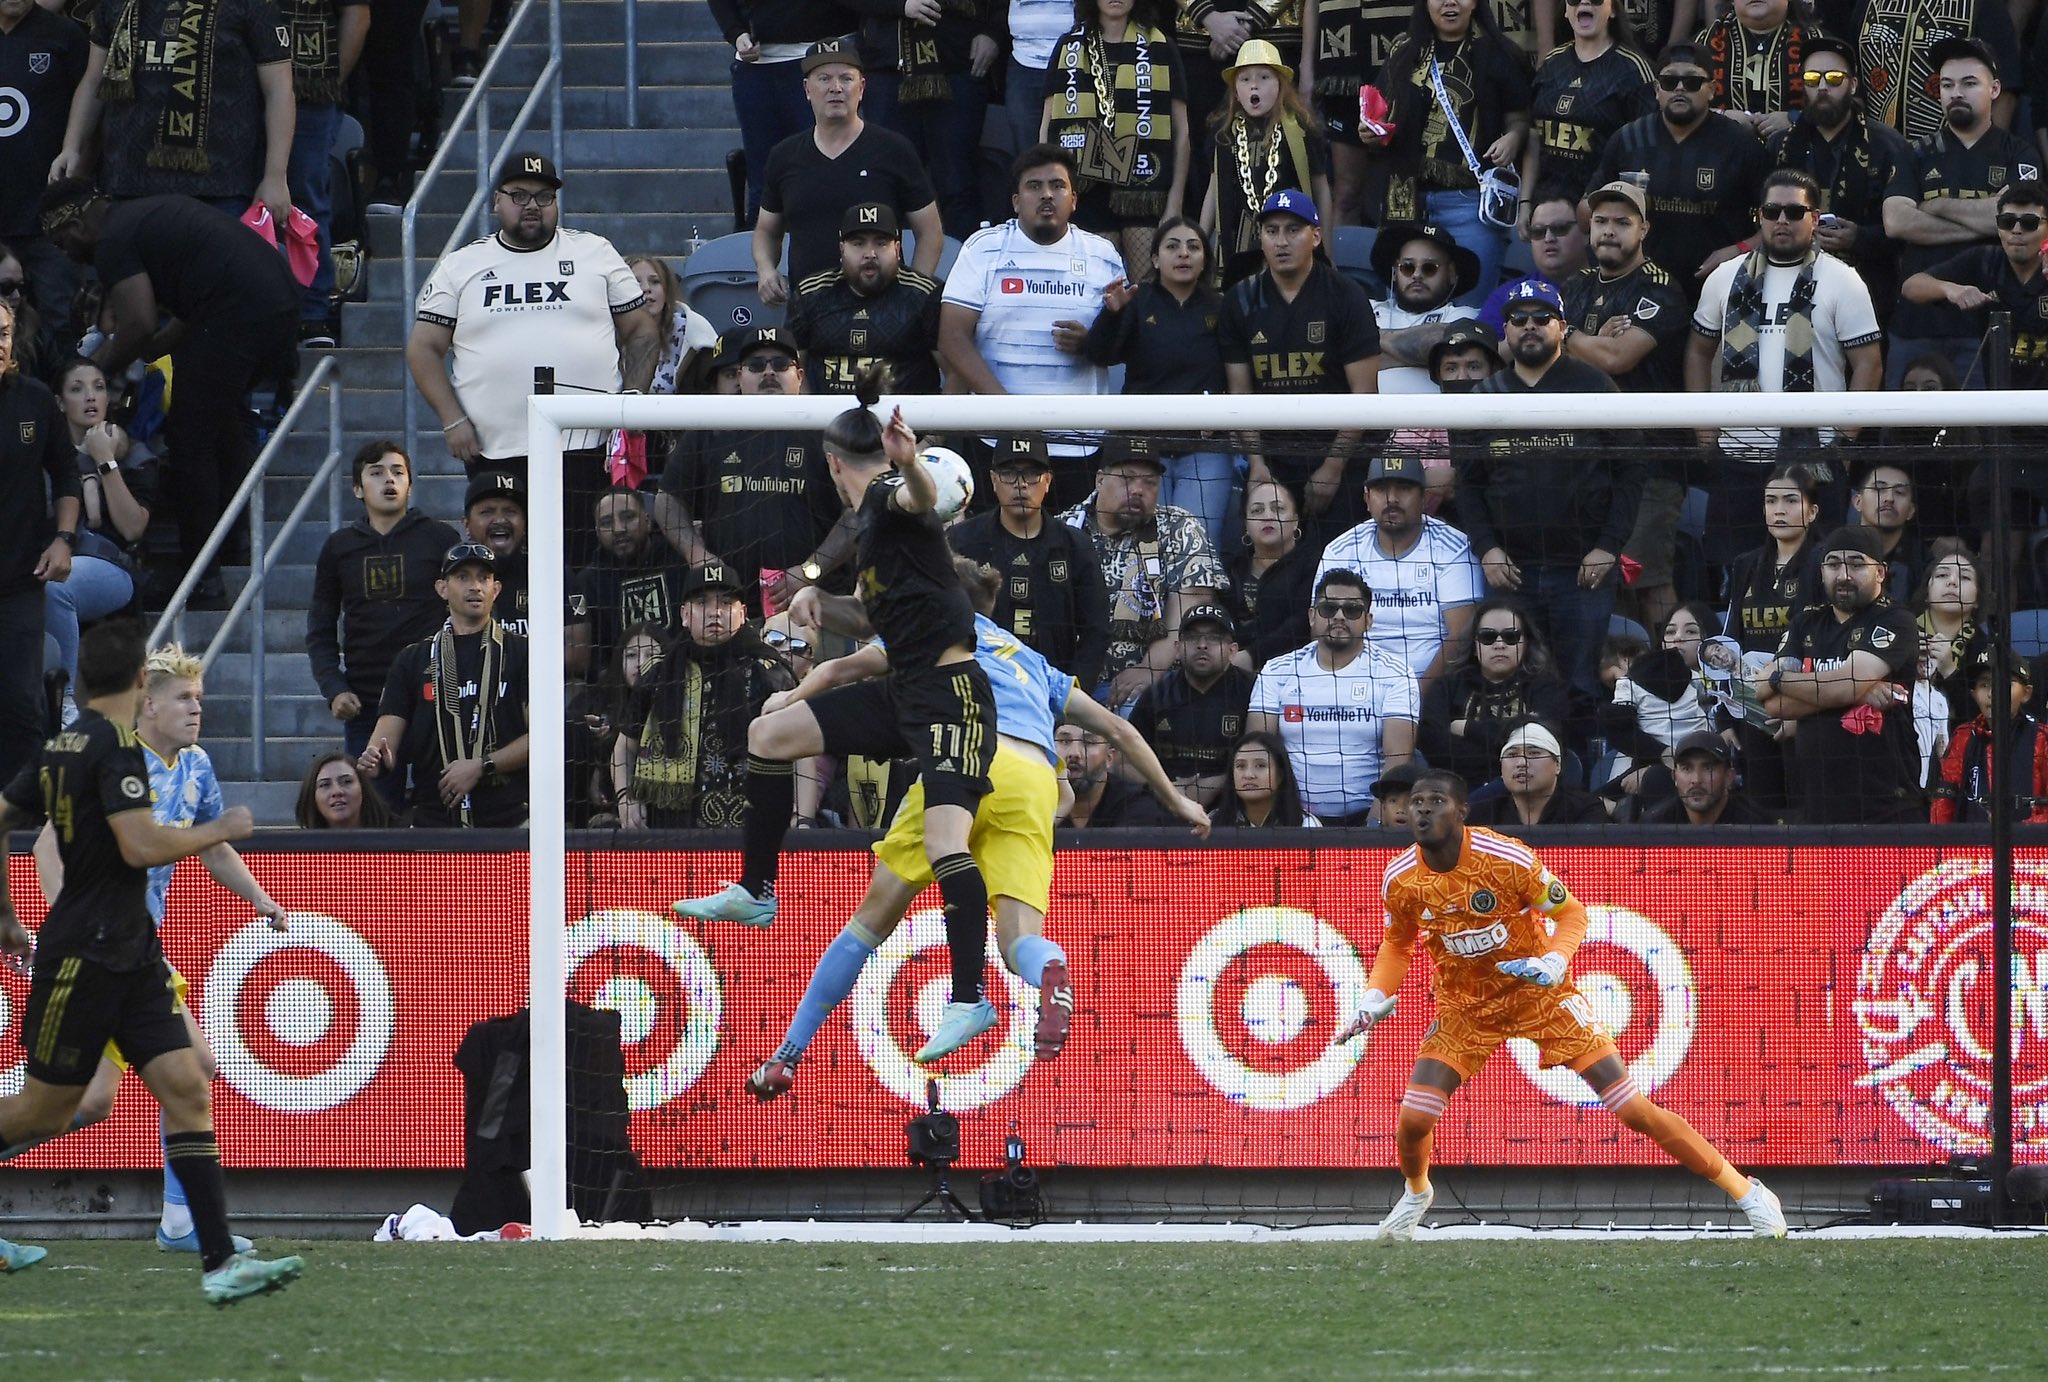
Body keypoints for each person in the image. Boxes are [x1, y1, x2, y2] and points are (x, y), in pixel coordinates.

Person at [745, 559, 1208, 1098]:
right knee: (1018, 941)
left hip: (965, 762)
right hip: (1033, 777)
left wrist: (786, 702)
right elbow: (1118, 729)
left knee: (867, 927)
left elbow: (838, 671)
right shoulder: (1034, 662)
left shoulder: (934, 632)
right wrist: (1177, 800)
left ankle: (788, 1054)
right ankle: (1051, 969)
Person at [674, 395, 1004, 1064]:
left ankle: (969, 996)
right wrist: (817, 600)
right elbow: (865, 618)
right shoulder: (870, 530)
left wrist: (909, 465)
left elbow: (917, 494)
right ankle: (757, 890)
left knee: (945, 843)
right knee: (769, 736)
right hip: (902, 688)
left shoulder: (888, 498)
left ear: (830, 463)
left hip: (951, 697)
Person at [1338, 767, 1788, 1242]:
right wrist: (1373, 996)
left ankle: (1748, 1191)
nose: (1423, 810)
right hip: (1465, 1007)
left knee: (1633, 1109)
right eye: (1417, 803)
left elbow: (1571, 912)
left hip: (1542, 998)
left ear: (1462, 812)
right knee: (1413, 1120)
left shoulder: (1506, 858)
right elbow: (1398, 944)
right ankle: (1417, 1192)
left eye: (1436, 802)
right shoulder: (1401, 878)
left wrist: (1555, 959)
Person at [0, 619, 306, 1299]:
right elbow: (104, 846)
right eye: (186, 698)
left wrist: (258, 896)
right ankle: (193, 1234)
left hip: (136, 951)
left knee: (190, 1077)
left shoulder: (162, 761)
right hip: (89, 950)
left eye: (200, 698)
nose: (198, 708)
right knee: (57, 1110)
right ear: (145, 692)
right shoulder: (109, 751)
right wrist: (221, 827)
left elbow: (206, 849)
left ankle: (208, 1250)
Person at [40, 181, 298, 600]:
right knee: (221, 425)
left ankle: (202, 574)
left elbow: (139, 323)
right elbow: (177, 322)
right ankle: (228, 547)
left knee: (189, 436)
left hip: (238, 311)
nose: (66, 253)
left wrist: (92, 368)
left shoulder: (112, 239)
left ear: (75, 222)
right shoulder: (141, 216)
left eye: (61, 241)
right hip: (273, 301)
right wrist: (140, 356)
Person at [407, 151, 658, 546]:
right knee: (506, 564)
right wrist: (452, 420)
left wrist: (632, 401)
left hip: (585, 447)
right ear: (496, 201)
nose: (532, 206)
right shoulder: (462, 264)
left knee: (581, 561)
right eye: (519, 195)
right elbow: (422, 347)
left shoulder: (595, 252)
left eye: (544, 197)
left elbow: (642, 331)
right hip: (494, 447)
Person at [1456, 278, 1642, 701]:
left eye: (1542, 317)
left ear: (1562, 327)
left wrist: (1609, 546)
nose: (1530, 326)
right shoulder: (1483, 395)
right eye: (1518, 318)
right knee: (1512, 687)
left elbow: (1633, 472)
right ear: (1505, 330)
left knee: (1581, 687)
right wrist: (1486, 548)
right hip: (1511, 573)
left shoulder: (1595, 386)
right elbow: (1467, 484)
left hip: (1582, 572)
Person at [1686, 169, 1881, 566]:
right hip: (1738, 458)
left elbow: (1869, 364)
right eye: (1772, 211)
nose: (1782, 220)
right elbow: (1697, 351)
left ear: (1815, 216)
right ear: (1759, 216)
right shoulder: (1725, 277)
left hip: (1814, 461)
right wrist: (1703, 427)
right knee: (1733, 574)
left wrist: (1844, 442)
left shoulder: (1844, 281)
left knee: (1816, 573)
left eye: (1794, 212)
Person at [939, 144, 1126, 503]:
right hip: (996, 439)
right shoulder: (983, 249)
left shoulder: (1103, 256)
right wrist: (1009, 412)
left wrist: (1093, 340)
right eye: (1034, 186)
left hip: (1078, 444)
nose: (1046, 194)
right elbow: (953, 338)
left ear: (1074, 199)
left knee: (1068, 551)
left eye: (1057, 186)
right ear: (1015, 200)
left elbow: (1118, 348)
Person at [1560, 179, 1692, 633]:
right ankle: (1619, 676)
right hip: (1586, 459)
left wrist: (1565, 335)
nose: (1609, 232)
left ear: (1644, 229)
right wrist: (1586, 341)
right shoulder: (1573, 285)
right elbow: (1518, 345)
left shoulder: (1660, 288)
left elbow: (1618, 358)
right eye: (1600, 222)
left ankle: (1677, 674)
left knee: (1647, 576)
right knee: (1597, 579)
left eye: (1622, 222)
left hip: (1650, 457)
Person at [1219, 188, 1382, 539]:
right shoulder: (1239, 300)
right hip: (1273, 456)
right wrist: (1258, 465)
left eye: (1294, 230)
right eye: (1272, 230)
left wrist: (1334, 466)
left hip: (1342, 452)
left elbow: (1365, 393)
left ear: (1317, 236)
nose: (1281, 241)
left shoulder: (1346, 295)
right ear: (1260, 237)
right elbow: (1240, 394)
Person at [652, 327, 850, 614]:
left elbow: (860, 511)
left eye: (780, 364)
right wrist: (697, 556)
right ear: (741, 377)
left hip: (816, 605)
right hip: (729, 605)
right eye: (756, 366)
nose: (768, 372)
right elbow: (667, 500)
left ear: (800, 376)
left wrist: (810, 570)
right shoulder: (710, 429)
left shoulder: (829, 431)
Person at [1882, 37, 2041, 386]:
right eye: (1947, 84)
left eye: (1970, 83)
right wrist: (1987, 221)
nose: (1956, 92)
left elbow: (2022, 224)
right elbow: (1896, 222)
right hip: (1917, 323)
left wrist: (1935, 206)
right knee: (1904, 434)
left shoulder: (2020, 153)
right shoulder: (1914, 153)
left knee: (1981, 437)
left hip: (1991, 326)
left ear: (1995, 89)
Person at [53, 0, 294, 222]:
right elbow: (94, 80)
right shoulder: (117, 4)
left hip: (219, 185)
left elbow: (279, 91)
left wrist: (275, 176)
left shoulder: (251, 4)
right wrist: (71, 146)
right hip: (128, 181)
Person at [306, 440, 462, 772]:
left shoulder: (441, 539)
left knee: (438, 809)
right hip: (367, 704)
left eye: (397, 472)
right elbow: (320, 629)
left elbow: (464, 615)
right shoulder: (338, 548)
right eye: (376, 473)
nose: (388, 480)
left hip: (435, 701)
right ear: (357, 489)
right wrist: (335, 689)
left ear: (410, 484)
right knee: (375, 811)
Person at [1364, 0, 1532, 308]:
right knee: (1405, 310)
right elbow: (1380, 115)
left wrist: (1513, 138)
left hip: (1469, 202)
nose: (1450, 2)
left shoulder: (1499, 52)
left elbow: (1521, 119)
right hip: (1406, 202)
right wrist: (1371, 133)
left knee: (1471, 313)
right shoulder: (1403, 51)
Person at [1751, 526, 1923, 823]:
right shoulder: (1806, 622)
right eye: (1833, 564)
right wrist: (1857, 691)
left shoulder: (1896, 619)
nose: (1843, 574)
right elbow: (1773, 704)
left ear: (1881, 572)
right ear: (1821, 571)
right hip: (1818, 801)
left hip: (1884, 803)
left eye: (1857, 564)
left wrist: (1779, 679)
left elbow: (1842, 686)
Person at [1082, 215, 1236, 546]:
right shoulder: (1136, 300)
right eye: (1172, 246)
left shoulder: (1222, 307)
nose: (1183, 254)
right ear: (1154, 258)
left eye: (1193, 247)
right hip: (1143, 448)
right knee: (1147, 547)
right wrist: (1112, 314)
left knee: (1200, 547)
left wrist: (1222, 411)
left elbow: (1237, 372)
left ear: (1205, 259)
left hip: (1205, 447)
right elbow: (1098, 354)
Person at [752, 38, 944, 305]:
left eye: (846, 78)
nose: (836, 88)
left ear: (862, 87)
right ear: (807, 89)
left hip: (882, 308)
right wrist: (766, 270)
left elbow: (930, 232)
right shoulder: (784, 155)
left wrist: (912, 295)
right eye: (824, 79)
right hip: (808, 310)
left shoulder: (894, 150)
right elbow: (766, 231)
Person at [358, 541, 532, 828]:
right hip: (434, 823)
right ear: (441, 588)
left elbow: (545, 738)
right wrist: (376, 759)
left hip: (510, 821)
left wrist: (481, 766)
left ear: (496, 589)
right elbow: (384, 743)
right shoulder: (412, 659)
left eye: (483, 578)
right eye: (463, 577)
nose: (475, 586)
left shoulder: (523, 652)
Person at [612, 562, 797, 830]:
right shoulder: (659, 673)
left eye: (725, 603)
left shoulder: (769, 672)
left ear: (743, 613)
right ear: (685, 615)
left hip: (751, 822)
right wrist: (625, 798)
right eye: (702, 603)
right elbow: (624, 745)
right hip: (668, 826)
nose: (715, 613)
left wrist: (799, 813)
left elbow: (802, 750)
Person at [1588, 43, 1770, 293]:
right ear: (1656, 89)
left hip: (1719, 287)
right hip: (1639, 288)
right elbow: (1588, 207)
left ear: (1712, 90)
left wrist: (1738, 252)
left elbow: (1782, 222)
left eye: (1692, 82)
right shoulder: (1627, 139)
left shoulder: (1741, 145)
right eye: (1669, 81)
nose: (1680, 88)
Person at [1057, 439, 1226, 708]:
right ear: (1100, 479)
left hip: (1151, 683)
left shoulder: (1179, 528)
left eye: (1150, 482)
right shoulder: (1062, 530)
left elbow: (1187, 618)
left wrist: (1149, 669)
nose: (1138, 490)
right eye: (1128, 478)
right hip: (1066, 678)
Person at [1248, 567, 1418, 826]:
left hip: (1365, 815)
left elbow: (1398, 758)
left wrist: (1372, 826)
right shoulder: (1277, 670)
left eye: (1352, 610)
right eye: (1329, 609)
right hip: (1291, 819)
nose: (1339, 617)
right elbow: (1258, 750)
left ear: (1368, 620)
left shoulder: (1395, 674)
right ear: (1312, 616)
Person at [947, 431, 1112, 693]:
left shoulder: (1075, 546)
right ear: (992, 480)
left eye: (1032, 474)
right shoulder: (961, 541)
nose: (1021, 484)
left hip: (1053, 689)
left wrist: (1073, 694)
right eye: (1009, 473)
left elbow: (1096, 630)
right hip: (978, 686)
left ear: (1047, 481)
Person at [1764, 39, 1915, 321]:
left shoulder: (1888, 146)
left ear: (1853, 85)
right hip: (1791, 284)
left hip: (1868, 289)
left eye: (1834, 78)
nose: (1822, 87)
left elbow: (1905, 231)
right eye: (1812, 78)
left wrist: (1859, 237)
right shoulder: (1780, 145)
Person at [1316, 451, 1482, 696]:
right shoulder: (1341, 550)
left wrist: (1411, 701)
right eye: (1381, 489)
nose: (1392, 499)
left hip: (1434, 691)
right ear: (1366, 498)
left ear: (1425, 498)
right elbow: (1321, 629)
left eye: (1404, 488)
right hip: (1355, 688)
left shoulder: (1454, 547)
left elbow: (1460, 637)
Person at [46, 357, 157, 724]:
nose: (90, 397)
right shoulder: (43, 454)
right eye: (77, 389)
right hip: (42, 559)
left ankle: (65, 702)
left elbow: (132, 528)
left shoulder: (133, 452)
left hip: (110, 566)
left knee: (55, 588)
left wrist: (105, 460)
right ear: (60, 402)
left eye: (98, 387)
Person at [1041, 0, 1192, 267]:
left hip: (1145, 189)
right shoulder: (1068, 46)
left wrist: (1174, 204)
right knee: (1099, 287)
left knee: (1144, 286)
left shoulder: (1161, 46)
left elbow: (1182, 133)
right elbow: (1047, 127)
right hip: (1086, 191)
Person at [0, 299, 79, 788]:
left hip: (18, 581)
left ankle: (22, 830)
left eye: (4, 332)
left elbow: (66, 472)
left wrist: (65, 539)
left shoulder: (33, 399)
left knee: (21, 704)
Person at [1721, 460, 1824, 813]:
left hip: (1806, 711)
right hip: (1752, 709)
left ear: (1812, 512)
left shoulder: (1824, 563)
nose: (1779, 510)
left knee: (1805, 810)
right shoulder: (1746, 564)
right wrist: (1726, 716)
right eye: (1771, 501)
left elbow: (1825, 642)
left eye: (1791, 501)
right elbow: (1731, 641)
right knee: (1762, 813)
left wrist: (1802, 714)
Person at [853, 0, 996, 242]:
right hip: (887, 72)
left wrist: (993, 33)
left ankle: (964, 272)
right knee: (890, 185)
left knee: (958, 184)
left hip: (958, 64)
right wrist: (901, 5)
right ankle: (892, 274)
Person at [713, 0, 855, 226]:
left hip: (820, 54)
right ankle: (762, 256)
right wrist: (736, 32)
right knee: (764, 179)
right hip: (756, 67)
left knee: (819, 170)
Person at [1200, 40, 1330, 285]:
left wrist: (1328, 253)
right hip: (1237, 245)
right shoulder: (1223, 133)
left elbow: (1320, 188)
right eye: (1245, 79)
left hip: (1287, 239)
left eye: (1264, 77)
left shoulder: (1300, 129)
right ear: (1236, 91)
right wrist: (1201, 239)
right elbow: (1213, 188)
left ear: (1281, 85)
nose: (1254, 85)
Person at [1901, 179, 2048, 394]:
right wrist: (1951, 289)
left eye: (2029, 222)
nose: (2016, 230)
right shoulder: (1985, 260)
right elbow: (1911, 286)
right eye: (2007, 222)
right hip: (1999, 402)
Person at [786, 202, 944, 396]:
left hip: (906, 419)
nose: (870, 254)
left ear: (897, 248)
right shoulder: (810, 293)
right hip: (831, 419)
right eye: (858, 243)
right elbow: (791, 369)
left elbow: (955, 371)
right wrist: (810, 417)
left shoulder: (925, 295)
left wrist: (936, 423)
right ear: (842, 249)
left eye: (881, 243)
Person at [0, 0, 88, 346]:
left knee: (61, 321)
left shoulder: (64, 36)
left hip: (49, 216)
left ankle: (60, 395)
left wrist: (78, 175)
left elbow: (93, 112)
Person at [1419, 595, 1574, 784]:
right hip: (1458, 787)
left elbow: (1546, 739)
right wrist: (1510, 745)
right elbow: (1434, 744)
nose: (1499, 644)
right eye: (1488, 637)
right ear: (1475, 646)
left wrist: (1468, 728)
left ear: (1525, 643)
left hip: (1527, 786)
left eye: (1511, 636)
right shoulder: (1446, 687)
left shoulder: (1546, 687)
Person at [284, 0, 369, 346]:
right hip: (237, 88)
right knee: (234, 199)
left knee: (306, 197)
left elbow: (358, 13)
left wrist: (327, 85)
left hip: (309, 88)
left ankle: (313, 312)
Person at [1521, 0, 1652, 217]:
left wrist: (1618, 214)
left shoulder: (1634, 69)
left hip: (1599, 213)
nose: (1584, 2)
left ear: (1613, 10)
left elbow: (1644, 154)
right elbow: (1534, 137)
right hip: (1544, 210)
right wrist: (1524, 202)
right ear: (1565, 10)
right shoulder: (1552, 62)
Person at [1131, 602, 1255, 809]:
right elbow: (1124, 759)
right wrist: (1164, 788)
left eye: (1214, 638)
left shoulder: (1252, 691)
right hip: (1163, 802)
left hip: (1233, 802)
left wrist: (1221, 782)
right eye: (1192, 637)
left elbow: (1267, 755)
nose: (1202, 645)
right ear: (1178, 649)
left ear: (1233, 650)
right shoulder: (1157, 693)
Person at [567, 487, 690, 682]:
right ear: (597, 532)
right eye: (607, 522)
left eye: (628, 517)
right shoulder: (588, 582)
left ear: (648, 521)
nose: (618, 529)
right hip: (619, 690)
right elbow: (594, 659)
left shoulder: (680, 561)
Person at [1859, 0, 2023, 143]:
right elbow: (1853, 82)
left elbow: (2005, 89)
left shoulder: (1982, 4)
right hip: (1878, 153)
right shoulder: (1868, 4)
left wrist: (1987, 155)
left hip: (1952, 156)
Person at [1929, 648, 2048, 824]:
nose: (1992, 693)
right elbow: (1944, 804)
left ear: (2026, 693)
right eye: (1984, 684)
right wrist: (1944, 845)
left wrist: (2018, 829)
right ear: (1973, 693)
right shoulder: (1962, 738)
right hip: (1969, 848)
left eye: (2004, 684)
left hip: (2028, 847)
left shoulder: (2042, 740)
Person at [1367, 223, 1481, 393]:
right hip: (1369, 417)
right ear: (1394, 272)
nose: (1417, 275)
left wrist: (1363, 345)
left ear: (1451, 273)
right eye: (1407, 267)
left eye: (1429, 268)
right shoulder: (1367, 308)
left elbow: (1440, 345)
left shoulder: (1465, 315)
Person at [1221, 477, 1316, 672]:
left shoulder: (1313, 564)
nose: (1268, 516)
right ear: (1245, 524)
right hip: (1228, 668)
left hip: (1292, 669)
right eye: (1257, 510)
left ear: (1295, 520)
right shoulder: (1230, 567)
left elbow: (1302, 623)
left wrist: (1252, 656)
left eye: (1278, 509)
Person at [1467, 720, 1608, 825]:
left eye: (1534, 753)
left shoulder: (1585, 809)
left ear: (1557, 765)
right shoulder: (1481, 812)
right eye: (1512, 755)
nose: (1521, 762)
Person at [1912, 537, 1989, 730]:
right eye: (1942, 575)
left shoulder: (1987, 649)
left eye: (1965, 577)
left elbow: (1986, 718)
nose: (1952, 582)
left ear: (1978, 598)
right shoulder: (1901, 634)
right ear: (1927, 591)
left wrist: (1949, 671)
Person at [630, 253, 719, 398]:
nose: (646, 288)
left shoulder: (694, 333)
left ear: (667, 290)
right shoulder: (609, 334)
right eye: (635, 283)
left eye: (655, 281)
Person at [1640, 728, 1778, 822]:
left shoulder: (1757, 827)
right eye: (1687, 768)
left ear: (1729, 777)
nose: (1696, 780)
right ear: (1674, 777)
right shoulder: (1653, 826)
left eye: (1708, 768)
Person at [463, 469, 529, 637]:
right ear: (466, 525)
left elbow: (575, 655)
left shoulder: (553, 575)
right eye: (487, 512)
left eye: (510, 511)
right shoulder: (451, 580)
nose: (500, 520)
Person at [1055, 721, 1160, 825]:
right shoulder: (1040, 798)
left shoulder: (1136, 804)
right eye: (1064, 741)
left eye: (1089, 743)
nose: (1074, 753)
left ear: (1109, 758)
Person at [1848, 460, 1922, 605]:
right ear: (1857, 502)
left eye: (1899, 492)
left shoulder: (1924, 564)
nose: (1889, 498)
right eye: (1879, 489)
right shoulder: (1828, 555)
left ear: (1911, 511)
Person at [1209, 728, 1319, 826]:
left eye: (1260, 766)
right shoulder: (1212, 822)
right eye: (1241, 766)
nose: (1249, 775)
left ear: (1280, 775)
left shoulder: (1306, 823)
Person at [293, 748, 394, 829]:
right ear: (312, 796)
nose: (337, 791)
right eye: (325, 785)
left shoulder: (397, 839)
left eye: (347, 782)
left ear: (363, 788)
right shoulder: (298, 850)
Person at [1370, 759, 1421, 831]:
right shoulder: (1371, 839)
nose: (1400, 810)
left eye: (1410, 801)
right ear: (1384, 805)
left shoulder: (1436, 841)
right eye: (1393, 801)